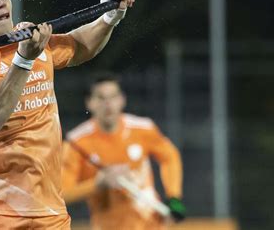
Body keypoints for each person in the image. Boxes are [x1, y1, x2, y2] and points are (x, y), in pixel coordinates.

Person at [0, 0, 135, 229]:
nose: (1, 2)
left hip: (50, 212)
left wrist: (108, 18)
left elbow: (78, 46)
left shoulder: (27, 37)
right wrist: (24, 60)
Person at [61, 73, 185, 230]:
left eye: (113, 97)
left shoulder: (143, 128)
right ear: (89, 103)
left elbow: (170, 156)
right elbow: (62, 194)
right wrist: (98, 183)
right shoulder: (75, 143)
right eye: (101, 98)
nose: (108, 104)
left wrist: (174, 196)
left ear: (122, 100)